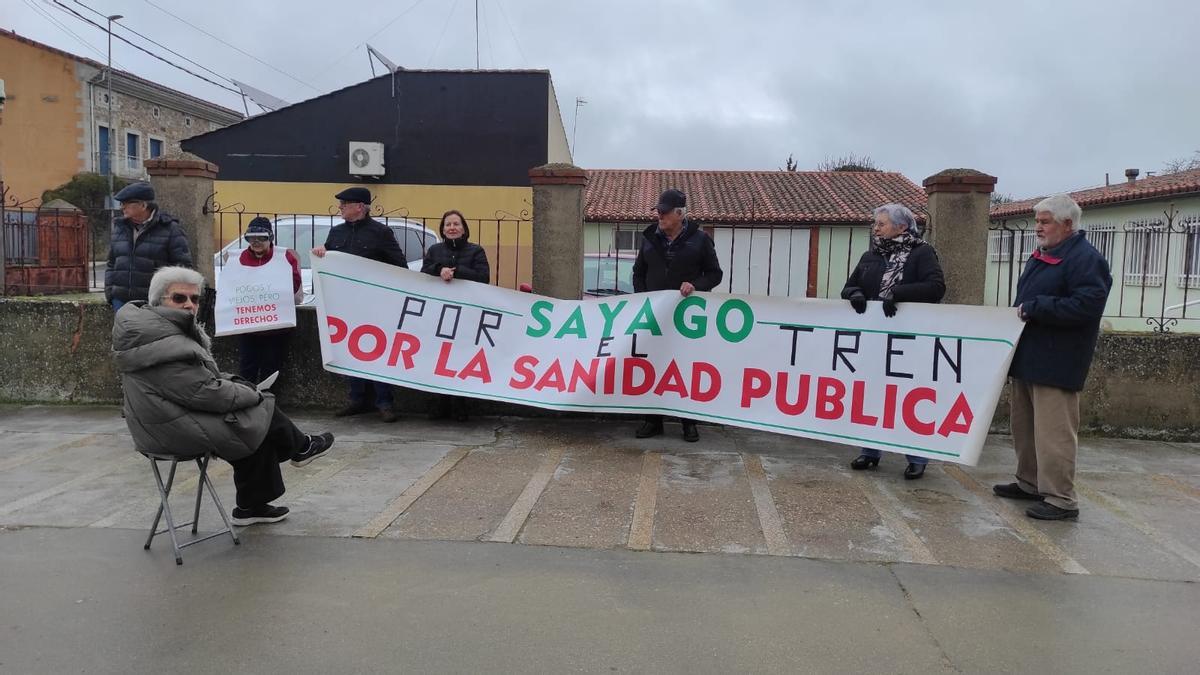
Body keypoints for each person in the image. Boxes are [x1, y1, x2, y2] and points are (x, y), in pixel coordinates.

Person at [113, 266, 335, 527]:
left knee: (252, 420)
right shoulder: (164, 339)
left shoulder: (153, 330)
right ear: (158, 301)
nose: (189, 306)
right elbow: (204, 393)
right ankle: (297, 449)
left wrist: (236, 385)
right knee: (257, 413)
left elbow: (197, 381)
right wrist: (250, 391)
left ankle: (254, 503)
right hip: (167, 428)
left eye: (195, 299)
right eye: (179, 298)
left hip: (161, 418)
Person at [994, 194, 1112, 520]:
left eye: (1045, 222)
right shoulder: (1044, 255)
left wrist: (1038, 307)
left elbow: (1087, 305)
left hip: (1058, 361)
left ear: (1067, 224)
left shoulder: (1085, 259)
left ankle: (1061, 499)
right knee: (1025, 429)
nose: (1038, 228)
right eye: (1037, 222)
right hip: (1029, 357)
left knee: (1054, 434)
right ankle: (1029, 482)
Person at [841, 204, 946, 479]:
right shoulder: (871, 255)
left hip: (908, 338)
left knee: (908, 397)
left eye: (882, 224)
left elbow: (936, 288)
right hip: (875, 337)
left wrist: (898, 292)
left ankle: (917, 456)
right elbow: (849, 286)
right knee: (874, 394)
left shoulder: (922, 253)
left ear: (902, 227)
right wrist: (855, 294)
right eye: (876, 224)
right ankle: (870, 450)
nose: (876, 228)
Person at [631, 188, 723, 442]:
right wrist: (643, 297)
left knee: (683, 368)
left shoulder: (700, 240)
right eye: (658, 211)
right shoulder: (649, 238)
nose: (659, 215)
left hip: (686, 319)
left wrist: (695, 286)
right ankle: (653, 420)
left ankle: (688, 422)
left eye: (664, 211)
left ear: (680, 214)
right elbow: (638, 272)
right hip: (655, 316)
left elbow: (715, 274)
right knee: (653, 366)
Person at [312, 187, 408, 422]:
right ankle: (357, 399)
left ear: (359, 207)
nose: (340, 207)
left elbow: (399, 266)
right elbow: (329, 262)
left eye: (345, 204)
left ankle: (384, 402)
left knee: (378, 351)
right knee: (349, 350)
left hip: (375, 305)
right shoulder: (336, 233)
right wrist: (322, 252)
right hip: (345, 304)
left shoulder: (381, 233)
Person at [421, 209, 491, 421]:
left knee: (461, 360)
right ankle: (440, 405)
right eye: (447, 225)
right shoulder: (434, 250)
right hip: (440, 314)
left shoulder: (476, 251)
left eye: (456, 224)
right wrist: (439, 268)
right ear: (443, 229)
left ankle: (461, 406)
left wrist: (457, 271)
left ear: (464, 228)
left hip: (466, 315)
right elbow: (424, 272)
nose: (452, 228)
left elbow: (483, 278)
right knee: (439, 360)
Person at [236, 217, 303, 388]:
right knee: (247, 366)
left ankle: (268, 402)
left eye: (262, 238)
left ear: (270, 238)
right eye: (251, 238)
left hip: (276, 327)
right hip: (249, 326)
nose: (256, 242)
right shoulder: (239, 258)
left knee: (272, 367)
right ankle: (245, 400)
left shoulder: (285, 257)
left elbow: (293, 285)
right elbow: (233, 286)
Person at [104, 182, 193, 310]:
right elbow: (112, 263)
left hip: (154, 303)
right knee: (124, 331)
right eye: (121, 203)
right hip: (121, 301)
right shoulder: (119, 228)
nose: (122, 207)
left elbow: (183, 267)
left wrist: (170, 298)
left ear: (143, 205)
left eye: (126, 203)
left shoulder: (170, 229)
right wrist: (110, 293)